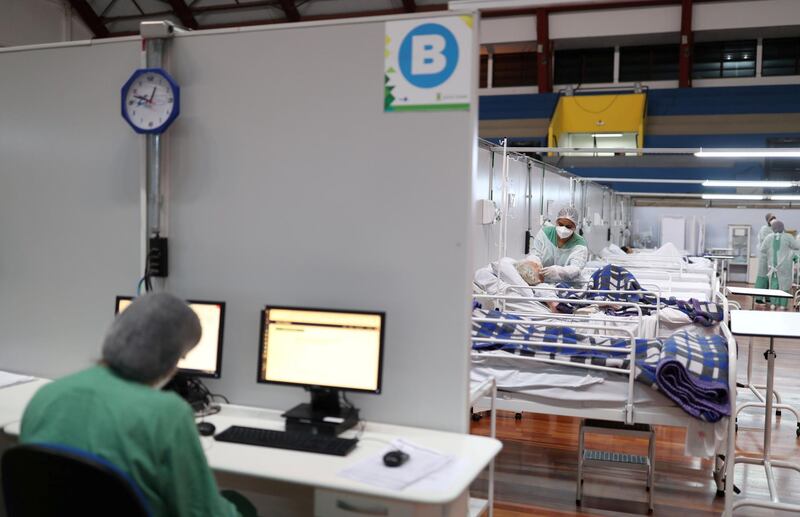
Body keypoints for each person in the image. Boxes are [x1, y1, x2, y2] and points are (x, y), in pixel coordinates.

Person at [20, 292, 256, 517]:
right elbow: (201, 512)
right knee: (240, 503)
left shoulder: (47, 396)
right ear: (172, 359)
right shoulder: (167, 414)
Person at [529, 206, 588, 283]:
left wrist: (558, 271)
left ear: (575, 227)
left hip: (568, 285)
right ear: (556, 222)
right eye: (560, 224)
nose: (563, 229)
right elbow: (535, 254)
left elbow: (576, 268)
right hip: (541, 282)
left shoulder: (580, 244)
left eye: (568, 226)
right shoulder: (545, 233)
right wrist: (534, 263)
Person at [758, 219, 799, 310]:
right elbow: (796, 246)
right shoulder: (788, 237)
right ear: (783, 227)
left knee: (774, 285)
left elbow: (762, 249)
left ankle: (773, 304)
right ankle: (783, 305)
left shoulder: (769, 237)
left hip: (773, 266)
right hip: (784, 267)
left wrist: (771, 252)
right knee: (784, 286)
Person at [754, 212, 778, 304]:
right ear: (767, 220)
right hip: (764, 257)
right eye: (771, 219)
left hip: (772, 257)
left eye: (774, 218)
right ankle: (758, 298)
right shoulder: (764, 229)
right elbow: (767, 241)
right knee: (762, 277)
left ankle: (768, 297)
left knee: (770, 278)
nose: (773, 221)